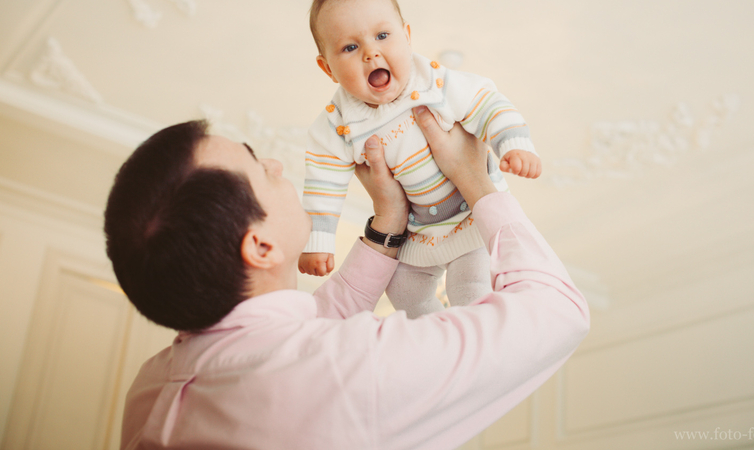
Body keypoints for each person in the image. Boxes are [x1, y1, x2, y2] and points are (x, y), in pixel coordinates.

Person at [105, 106, 589, 450]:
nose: (274, 163)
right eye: (257, 166)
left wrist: (389, 221)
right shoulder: (354, 368)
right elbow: (557, 312)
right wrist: (474, 179)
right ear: (261, 247)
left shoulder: (152, 388)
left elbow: (301, 337)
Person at [300, 0, 542, 318]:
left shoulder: (434, 82)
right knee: (404, 293)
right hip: (416, 233)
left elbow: (487, 102)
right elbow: (322, 184)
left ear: (407, 36)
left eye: (382, 35)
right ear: (328, 68)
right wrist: (318, 241)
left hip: (470, 218)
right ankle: (436, 336)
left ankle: (471, 334)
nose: (371, 52)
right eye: (350, 48)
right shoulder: (336, 125)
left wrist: (513, 144)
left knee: (469, 289)